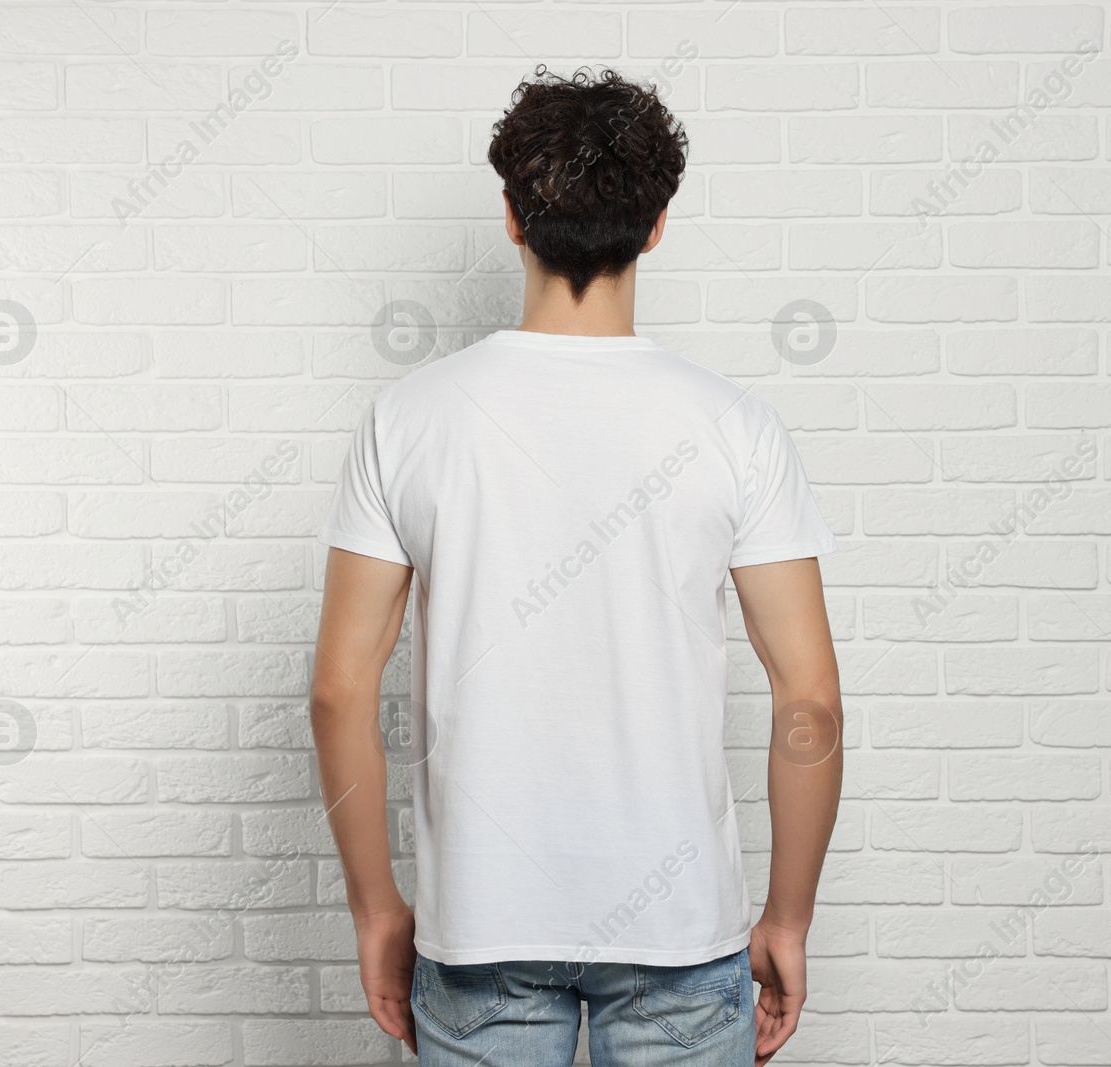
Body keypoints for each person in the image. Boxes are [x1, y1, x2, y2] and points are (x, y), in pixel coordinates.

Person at [309, 66, 843, 1067]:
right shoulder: (737, 428)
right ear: (656, 226)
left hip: (479, 931)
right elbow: (808, 701)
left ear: (511, 218)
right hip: (682, 934)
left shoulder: (408, 420)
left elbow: (340, 690)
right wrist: (788, 915)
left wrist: (377, 906)